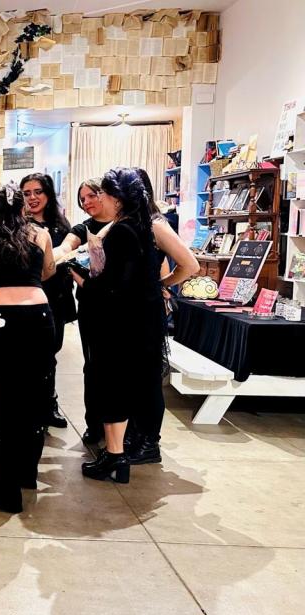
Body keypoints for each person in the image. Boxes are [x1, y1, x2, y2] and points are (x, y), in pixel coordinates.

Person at [68, 168, 167, 484]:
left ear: (116, 198)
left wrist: (80, 276)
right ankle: (116, 455)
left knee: (112, 387)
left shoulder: (123, 232)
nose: (96, 200)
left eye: (101, 195)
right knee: (123, 386)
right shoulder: (142, 227)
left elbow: (113, 286)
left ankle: (114, 456)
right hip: (138, 319)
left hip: (119, 322)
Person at [0, 185, 55, 514]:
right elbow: (47, 272)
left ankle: (4, 487)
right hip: (39, 318)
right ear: (23, 207)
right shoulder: (40, 234)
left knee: (4, 399)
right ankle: (25, 474)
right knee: (36, 395)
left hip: (1, 322)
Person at [124, 168, 199, 464]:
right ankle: (135, 433)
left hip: (146, 311)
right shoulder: (130, 223)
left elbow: (189, 265)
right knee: (133, 377)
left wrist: (161, 284)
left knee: (148, 378)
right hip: (129, 310)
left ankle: (149, 442)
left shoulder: (155, 223)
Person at [55, 178, 116, 446]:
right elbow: (67, 245)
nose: (87, 202)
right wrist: (55, 254)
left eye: (92, 195)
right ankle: (95, 424)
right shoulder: (84, 227)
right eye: (83, 199)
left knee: (117, 368)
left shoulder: (124, 224)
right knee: (92, 365)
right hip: (92, 303)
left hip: (121, 305)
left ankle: (122, 429)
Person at [21, 173, 73, 430]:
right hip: (24, 301)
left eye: (37, 191)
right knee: (26, 356)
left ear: (48, 194)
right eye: (27, 192)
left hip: (55, 300)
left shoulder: (62, 227)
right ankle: (29, 405)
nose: (32, 197)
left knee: (50, 355)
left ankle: (48, 403)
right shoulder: (16, 225)